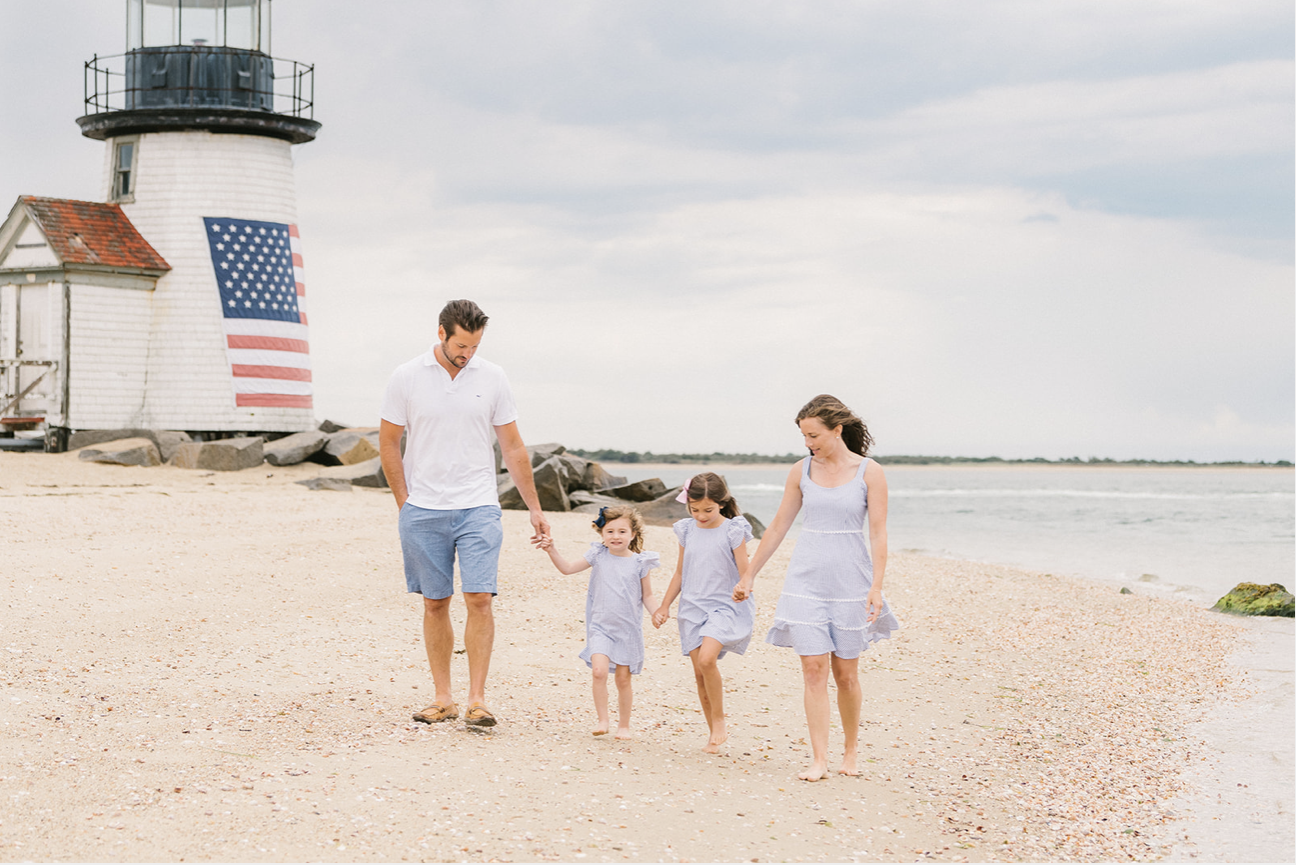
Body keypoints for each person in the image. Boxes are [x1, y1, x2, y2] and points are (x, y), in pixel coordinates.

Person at [378, 299, 550, 729]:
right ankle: (443, 698)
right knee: (435, 603)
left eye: (473, 346)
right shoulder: (406, 377)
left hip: (478, 505)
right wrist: (405, 504)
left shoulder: (493, 377)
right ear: (441, 333)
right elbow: (388, 443)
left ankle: (478, 700)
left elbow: (512, 446)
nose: (466, 354)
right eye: (460, 345)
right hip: (424, 509)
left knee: (480, 599)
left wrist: (534, 508)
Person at [734, 394, 900, 781]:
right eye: (804, 436)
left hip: (851, 582)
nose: (809, 443)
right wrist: (750, 574)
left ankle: (851, 751)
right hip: (805, 581)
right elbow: (777, 526)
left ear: (837, 429)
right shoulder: (801, 471)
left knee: (846, 674)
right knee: (812, 668)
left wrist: (877, 586)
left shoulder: (869, 472)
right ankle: (819, 759)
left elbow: (878, 533)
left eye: (814, 435)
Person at [534, 505, 660, 739]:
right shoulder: (598, 555)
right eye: (610, 531)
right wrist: (552, 550)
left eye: (622, 531)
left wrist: (656, 612)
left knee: (623, 680)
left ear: (633, 534)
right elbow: (568, 569)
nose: (615, 536)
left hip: (628, 631)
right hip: (601, 627)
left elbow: (648, 596)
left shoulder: (641, 563)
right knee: (599, 672)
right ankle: (603, 720)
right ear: (602, 534)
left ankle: (624, 725)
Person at [652, 472, 754, 753]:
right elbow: (680, 572)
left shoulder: (733, 530)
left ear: (721, 503)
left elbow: (746, 571)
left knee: (708, 661)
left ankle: (719, 720)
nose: (700, 515)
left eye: (707, 510)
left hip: (724, 606)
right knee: (699, 673)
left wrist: (744, 586)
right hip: (692, 607)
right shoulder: (686, 529)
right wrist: (664, 605)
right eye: (694, 509)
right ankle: (712, 734)